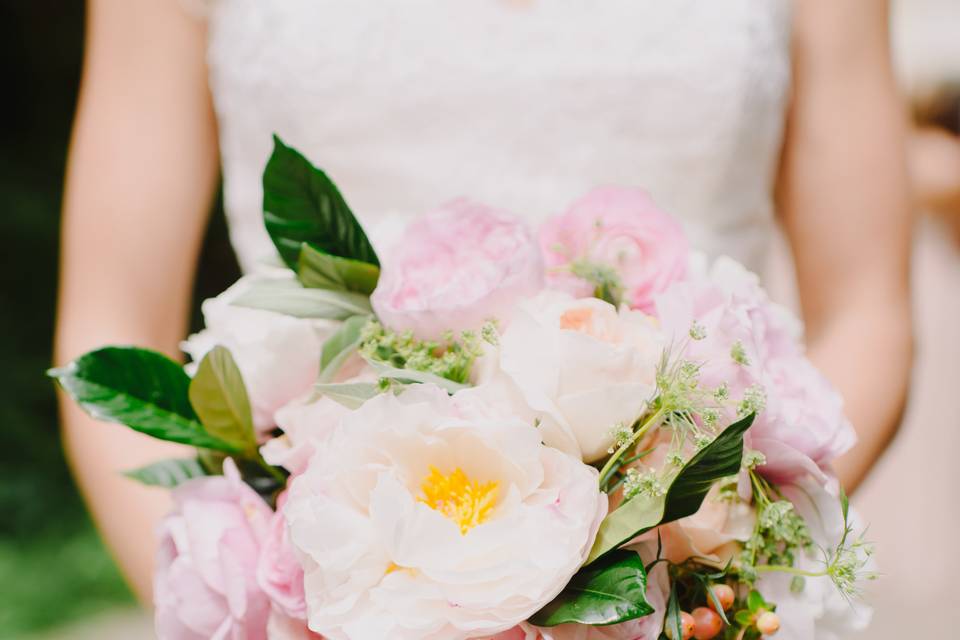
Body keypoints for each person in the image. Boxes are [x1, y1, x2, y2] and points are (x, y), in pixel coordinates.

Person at [55, 0, 913, 602]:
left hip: (689, 580)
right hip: (323, 582)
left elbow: (867, 310)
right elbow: (111, 320)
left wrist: (702, 568)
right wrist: (244, 606)